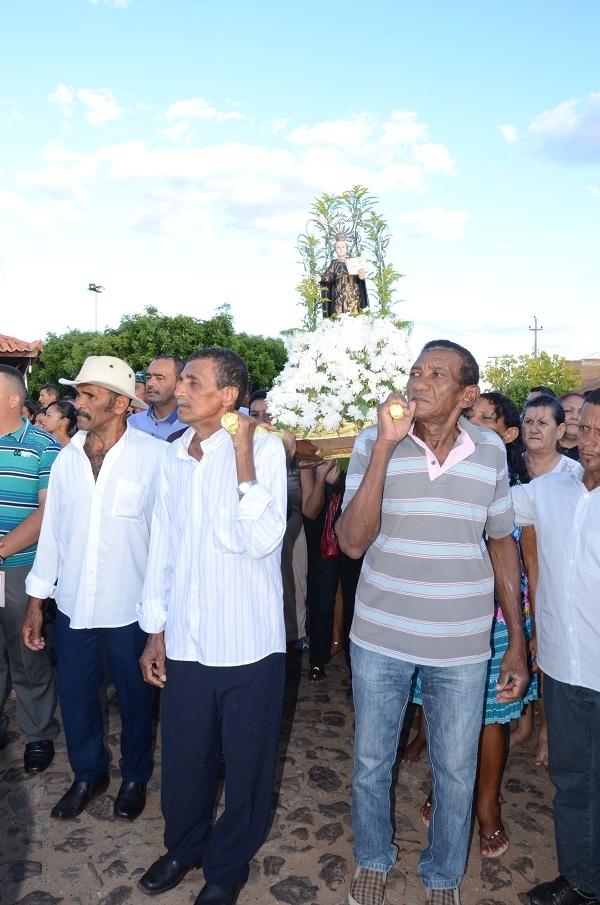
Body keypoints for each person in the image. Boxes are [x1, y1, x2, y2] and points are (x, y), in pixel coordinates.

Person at [336, 340, 528, 905]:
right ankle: (373, 858)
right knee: (372, 761)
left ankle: (443, 875)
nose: (419, 383)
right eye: (416, 371)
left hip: (463, 642)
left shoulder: (491, 450)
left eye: (437, 375)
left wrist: (516, 640)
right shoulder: (375, 441)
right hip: (380, 634)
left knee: (456, 768)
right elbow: (350, 542)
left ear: (467, 395)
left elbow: (501, 544)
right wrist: (382, 452)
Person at [138, 349, 287, 905]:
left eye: (192, 383)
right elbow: (163, 550)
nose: (179, 390)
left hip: (248, 642)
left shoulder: (266, 449)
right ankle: (183, 846)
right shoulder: (172, 457)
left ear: (228, 397)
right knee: (182, 755)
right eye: (182, 382)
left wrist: (244, 452)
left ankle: (226, 868)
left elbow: (260, 538)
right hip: (187, 640)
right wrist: (155, 631)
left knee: (247, 764)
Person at [22, 356, 164, 821]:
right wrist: (36, 602)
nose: (78, 403)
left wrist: (159, 618)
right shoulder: (66, 460)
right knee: (76, 697)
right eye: (78, 394)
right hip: (75, 607)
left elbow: (166, 541)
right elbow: (54, 536)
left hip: (131, 609)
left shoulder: (154, 459)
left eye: (88, 395)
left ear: (121, 404)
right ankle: (88, 775)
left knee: (136, 700)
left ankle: (135, 776)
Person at [412, 392, 540, 859]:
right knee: (445, 708)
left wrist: (523, 634)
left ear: (508, 435)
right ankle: (443, 790)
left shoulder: (515, 484)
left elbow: (523, 557)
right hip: (443, 612)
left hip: (494, 617)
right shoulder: (442, 467)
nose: (476, 424)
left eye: (489, 420)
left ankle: (486, 803)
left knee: (487, 715)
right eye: (471, 416)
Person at [511, 388, 600, 905]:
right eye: (582, 428)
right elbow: (489, 508)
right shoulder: (550, 490)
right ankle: (582, 881)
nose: (586, 442)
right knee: (573, 781)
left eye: (597, 432)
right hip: (564, 669)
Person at [0, 365, 60, 772]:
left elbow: (47, 513)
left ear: (13, 399)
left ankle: (38, 733)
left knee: (26, 654)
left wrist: (2, 550)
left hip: (19, 568)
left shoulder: (44, 446)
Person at [128, 355, 187, 440]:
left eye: (159, 378)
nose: (150, 384)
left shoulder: (191, 428)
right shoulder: (132, 423)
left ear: (179, 382)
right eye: (148, 378)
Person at [316, 231, 369, 317]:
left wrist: (361, 276)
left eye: (343, 247)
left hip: (353, 295)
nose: (341, 249)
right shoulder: (334, 263)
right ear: (335, 250)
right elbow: (329, 276)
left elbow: (360, 278)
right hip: (339, 297)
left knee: (354, 317)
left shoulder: (353, 262)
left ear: (347, 248)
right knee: (340, 317)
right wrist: (321, 278)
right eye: (338, 247)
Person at [557, 392, 585, 461]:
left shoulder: (595, 455)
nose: (575, 417)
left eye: (581, 412)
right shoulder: (542, 449)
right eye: (568, 411)